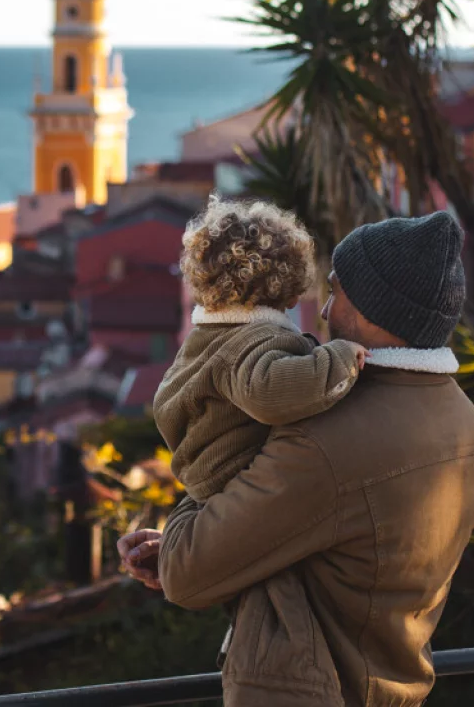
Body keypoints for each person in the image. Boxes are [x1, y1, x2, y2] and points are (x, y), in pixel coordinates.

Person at [118, 212, 474, 707]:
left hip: (310, 690)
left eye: (337, 294)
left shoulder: (331, 439)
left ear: (374, 310)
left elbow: (188, 575)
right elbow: (337, 534)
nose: (324, 311)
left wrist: (203, 466)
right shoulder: (460, 418)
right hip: (395, 685)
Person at [151, 195, 366, 706]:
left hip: (206, 483)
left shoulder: (205, 334)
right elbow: (272, 393)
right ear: (287, 277)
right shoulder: (256, 339)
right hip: (236, 474)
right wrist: (339, 360)